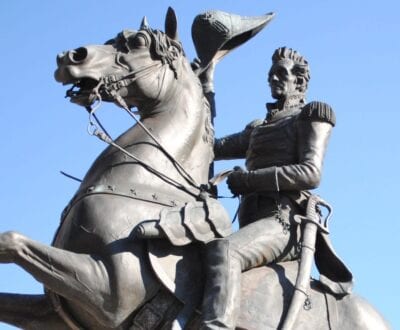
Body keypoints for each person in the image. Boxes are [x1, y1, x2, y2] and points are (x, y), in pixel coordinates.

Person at [200, 47, 336, 329]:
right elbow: (207, 147)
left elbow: (311, 173)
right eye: (270, 74)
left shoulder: (311, 115)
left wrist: (248, 180)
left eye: (280, 74)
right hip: (253, 221)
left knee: (225, 252)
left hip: (285, 222)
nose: (273, 79)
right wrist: (204, 86)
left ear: (298, 81)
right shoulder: (258, 128)